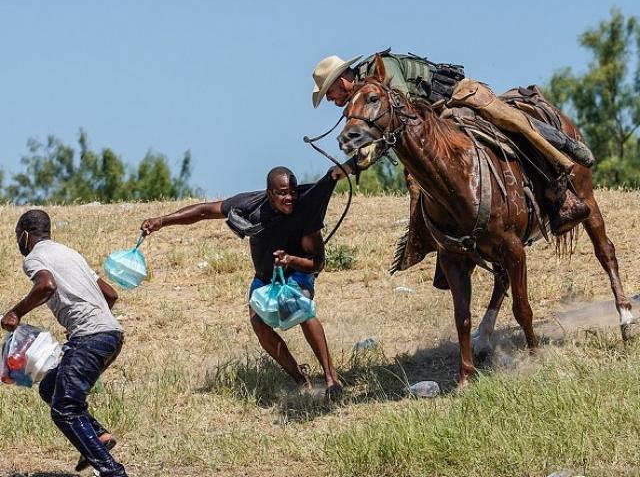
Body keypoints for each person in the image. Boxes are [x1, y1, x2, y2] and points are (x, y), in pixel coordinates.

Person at [311, 50, 594, 237]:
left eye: (330, 93)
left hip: (457, 97)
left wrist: (354, 160)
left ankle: (561, 170)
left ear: (342, 79)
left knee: (511, 124)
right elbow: (379, 134)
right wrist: (351, 162)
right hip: (434, 121)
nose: (331, 100)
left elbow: (400, 117)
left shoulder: (381, 70)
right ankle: (437, 237)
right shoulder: (361, 100)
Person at [141, 166, 347, 396]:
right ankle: (300, 378)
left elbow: (317, 263)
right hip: (264, 278)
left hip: (297, 272)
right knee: (259, 323)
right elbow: (204, 211)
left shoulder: (304, 213)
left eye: (292, 192)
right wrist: (163, 221)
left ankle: (332, 379)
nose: (289, 198)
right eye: (282, 193)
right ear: (269, 193)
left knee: (299, 306)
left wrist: (290, 260)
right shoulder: (250, 205)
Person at [1, 210, 127, 477]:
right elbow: (110, 294)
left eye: (16, 237)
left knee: (64, 409)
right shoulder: (70, 253)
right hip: (111, 335)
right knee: (50, 387)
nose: (18, 243)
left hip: (91, 337)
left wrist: (16, 312)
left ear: (24, 235)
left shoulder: (35, 257)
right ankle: (98, 436)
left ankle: (113, 472)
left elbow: (46, 285)